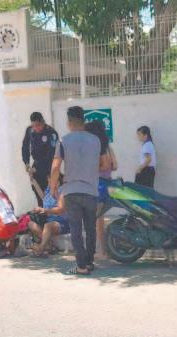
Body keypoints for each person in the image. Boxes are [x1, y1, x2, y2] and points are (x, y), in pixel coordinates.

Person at [50, 106, 102, 276]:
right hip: (91, 190)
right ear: (83, 120)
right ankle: (89, 262)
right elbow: (100, 164)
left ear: (70, 121)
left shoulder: (63, 140)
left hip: (72, 190)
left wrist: (53, 186)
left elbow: (55, 167)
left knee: (76, 229)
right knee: (90, 228)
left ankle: (81, 266)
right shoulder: (96, 140)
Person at [85, 120, 117, 256]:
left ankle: (102, 250)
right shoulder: (108, 147)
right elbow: (114, 166)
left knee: (96, 220)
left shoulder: (97, 148)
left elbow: (104, 165)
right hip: (107, 183)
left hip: (98, 185)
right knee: (100, 219)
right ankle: (103, 249)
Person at [21, 112, 59, 207]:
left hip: (49, 168)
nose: (36, 128)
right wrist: (26, 162)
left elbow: (51, 155)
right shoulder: (30, 130)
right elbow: (25, 147)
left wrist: (37, 168)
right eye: (33, 125)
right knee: (38, 194)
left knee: (51, 197)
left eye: (38, 125)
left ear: (43, 122)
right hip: (36, 166)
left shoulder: (51, 133)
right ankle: (42, 213)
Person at [28, 175, 69, 258]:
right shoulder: (48, 190)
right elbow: (43, 197)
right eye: (48, 182)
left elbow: (60, 209)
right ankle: (49, 245)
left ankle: (40, 248)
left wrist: (44, 210)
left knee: (48, 226)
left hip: (60, 221)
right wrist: (33, 181)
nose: (49, 184)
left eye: (50, 182)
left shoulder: (62, 191)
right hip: (48, 220)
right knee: (31, 224)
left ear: (57, 182)